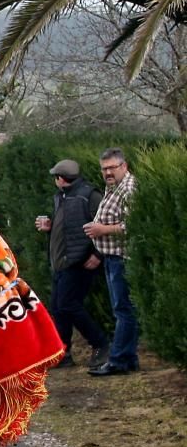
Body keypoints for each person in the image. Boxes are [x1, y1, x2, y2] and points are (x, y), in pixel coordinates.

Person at [36, 159, 108, 368]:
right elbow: (67, 228)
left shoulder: (89, 196)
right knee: (59, 308)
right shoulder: (62, 197)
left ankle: (101, 344)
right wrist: (50, 227)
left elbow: (103, 225)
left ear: (60, 179)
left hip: (79, 261)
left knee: (68, 305)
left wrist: (97, 254)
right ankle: (63, 353)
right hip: (62, 262)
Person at [85, 148, 140, 376]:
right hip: (110, 256)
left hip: (122, 258)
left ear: (124, 166)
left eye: (112, 168)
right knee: (122, 309)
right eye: (104, 168)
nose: (108, 172)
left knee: (123, 310)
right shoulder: (112, 187)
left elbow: (131, 225)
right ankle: (129, 359)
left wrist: (101, 229)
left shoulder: (129, 188)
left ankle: (118, 361)